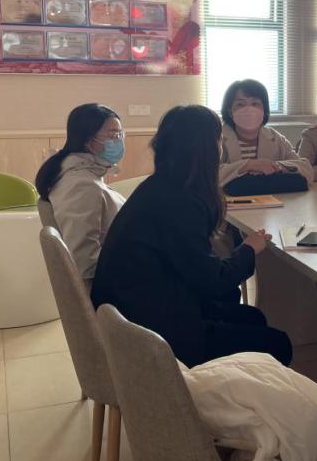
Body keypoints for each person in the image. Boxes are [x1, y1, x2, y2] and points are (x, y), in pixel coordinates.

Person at [92, 105, 292, 368]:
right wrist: (249, 249)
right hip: (153, 332)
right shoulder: (180, 202)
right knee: (279, 343)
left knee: (252, 317)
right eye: (219, 140)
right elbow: (212, 281)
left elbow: (197, 270)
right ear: (206, 149)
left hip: (137, 308)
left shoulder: (161, 187)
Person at [34, 104, 126, 283]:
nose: (119, 141)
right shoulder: (81, 185)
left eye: (121, 134)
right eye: (113, 135)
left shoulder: (86, 176)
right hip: (114, 287)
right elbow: (84, 262)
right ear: (88, 141)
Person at [218, 79, 314, 187]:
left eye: (255, 104)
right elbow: (207, 174)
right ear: (230, 111)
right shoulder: (216, 137)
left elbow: (306, 169)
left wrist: (274, 166)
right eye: (240, 104)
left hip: (271, 195)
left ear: (264, 110)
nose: (249, 110)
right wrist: (248, 165)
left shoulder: (275, 138)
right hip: (227, 197)